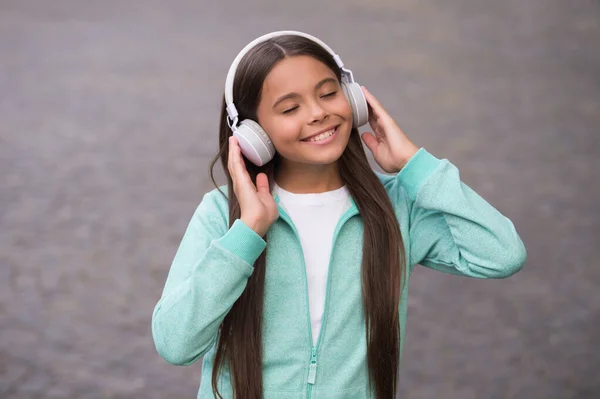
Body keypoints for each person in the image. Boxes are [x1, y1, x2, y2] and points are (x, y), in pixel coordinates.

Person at [151, 31, 527, 399]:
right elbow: (175, 342)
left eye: (329, 93)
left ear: (353, 97)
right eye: (290, 108)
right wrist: (247, 233)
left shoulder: (395, 207)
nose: (318, 113)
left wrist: (416, 166)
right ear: (253, 134)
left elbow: (501, 254)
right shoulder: (223, 214)